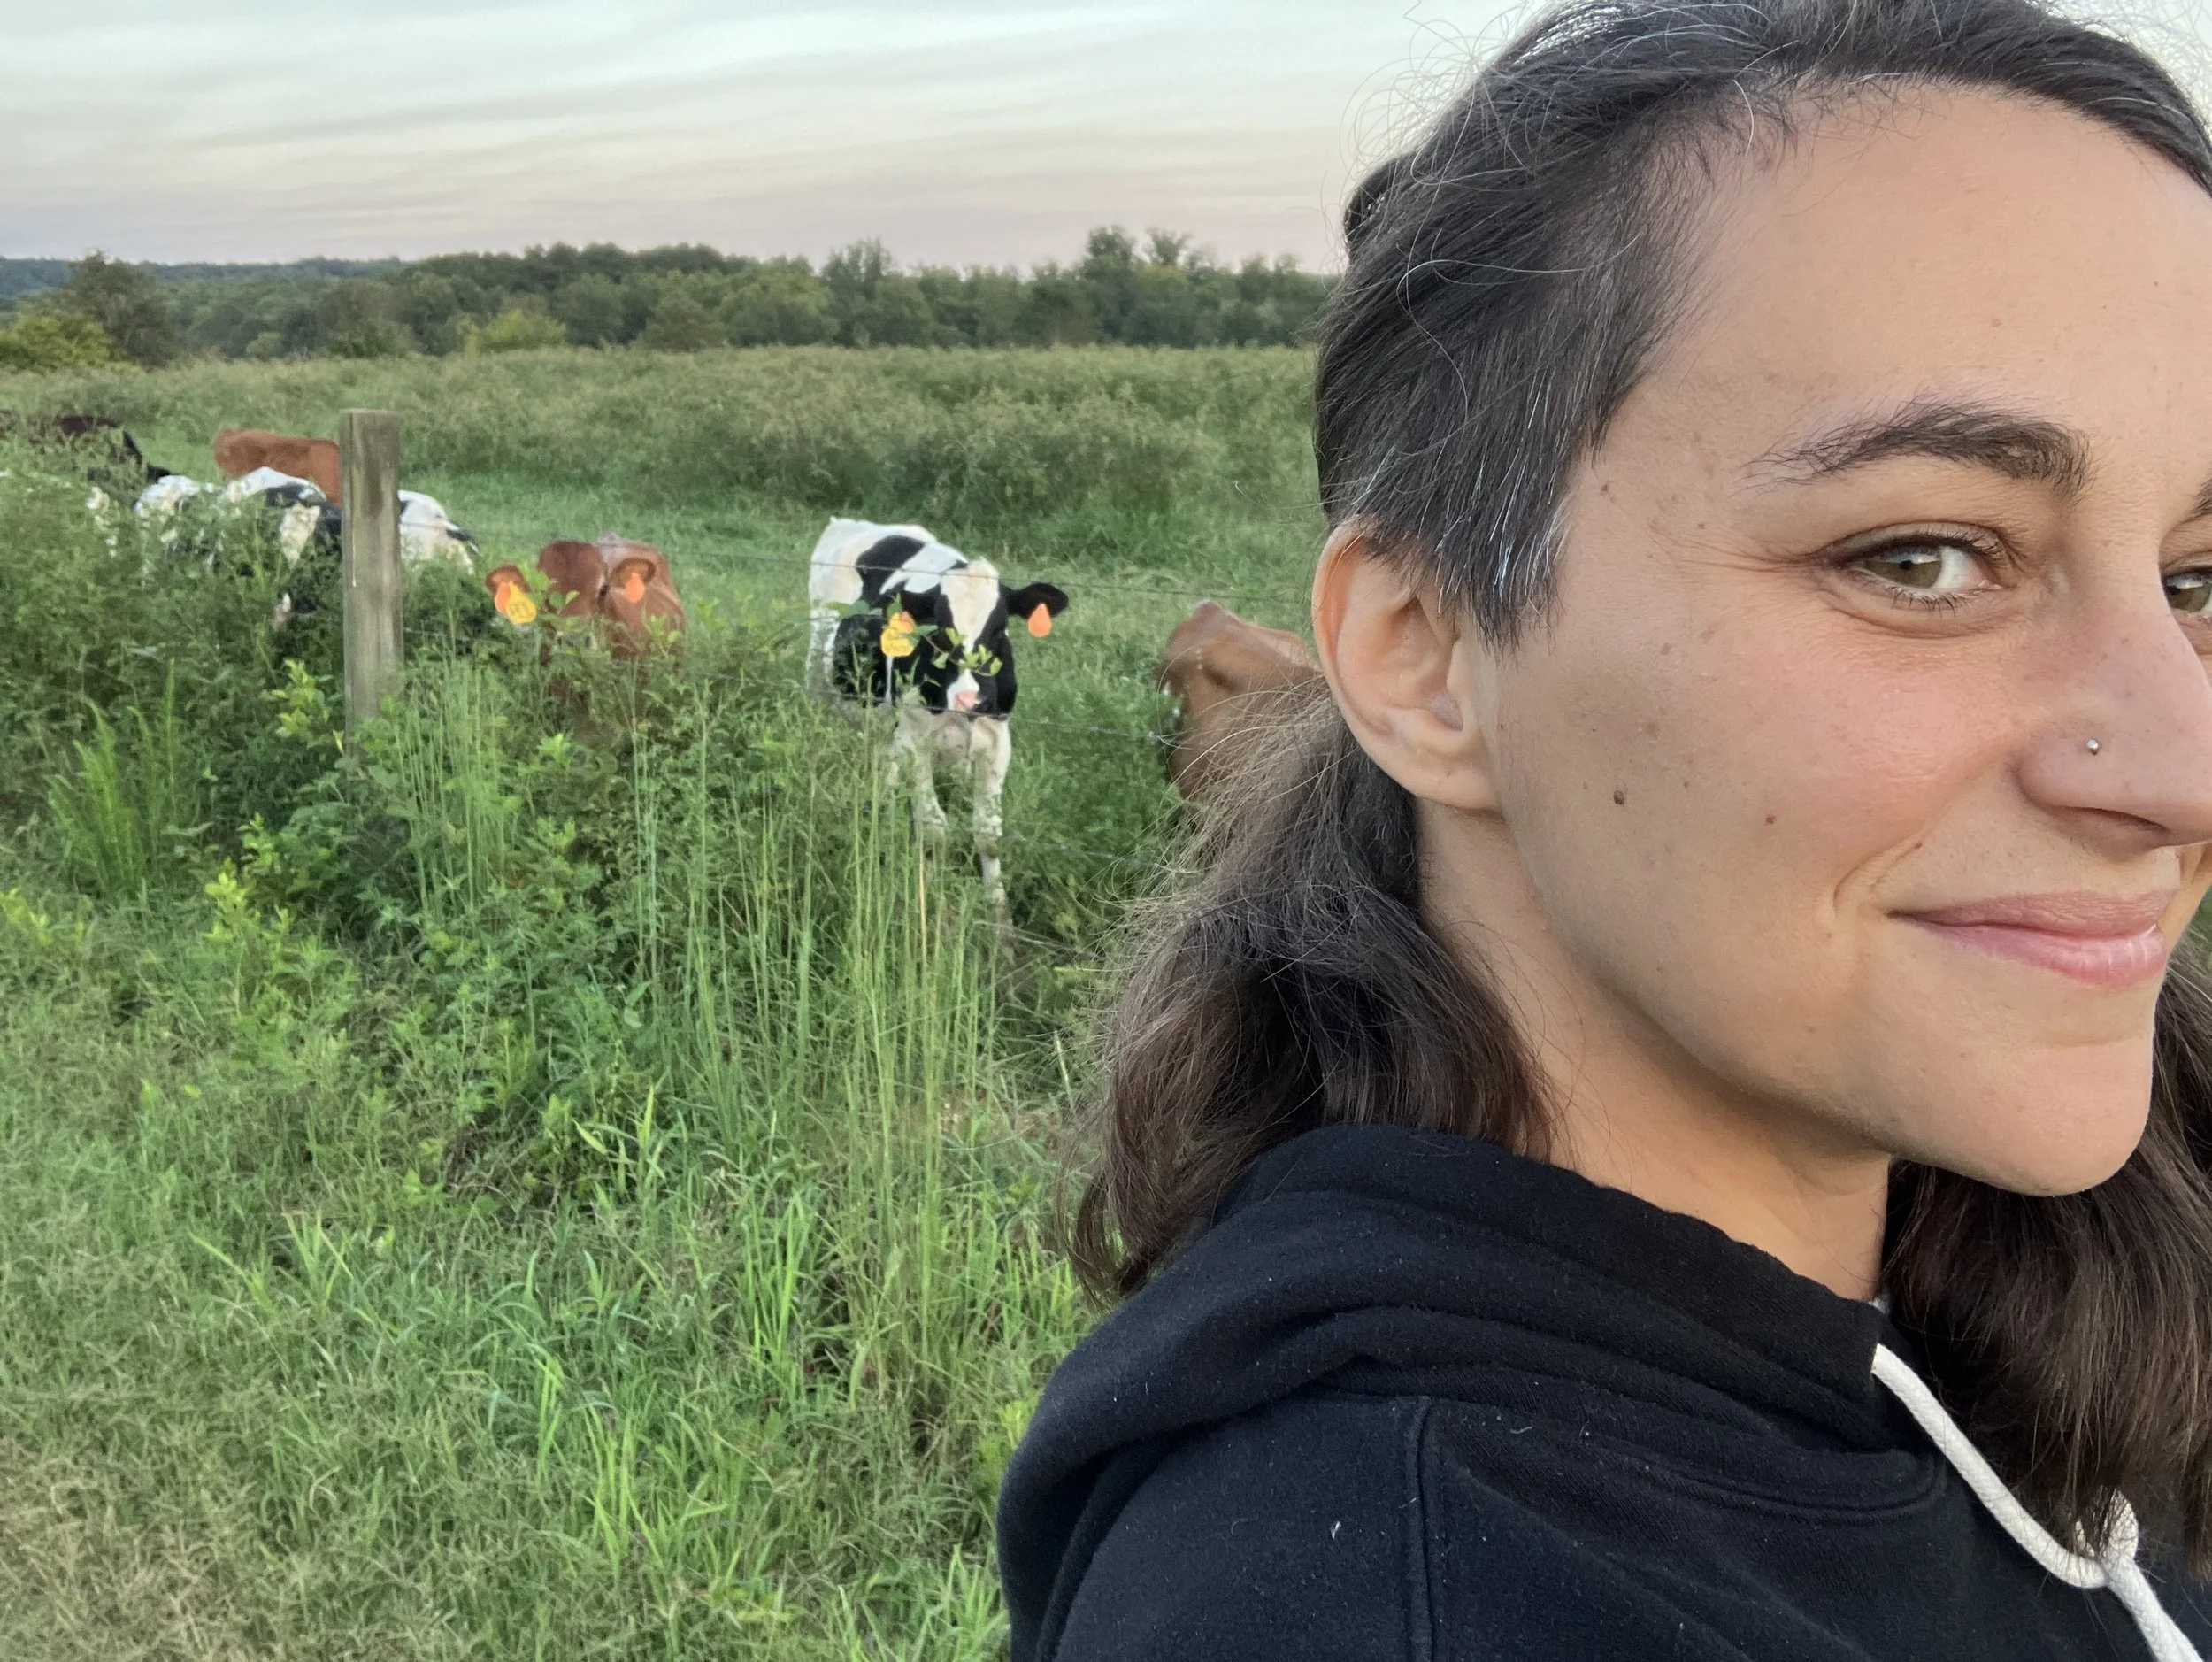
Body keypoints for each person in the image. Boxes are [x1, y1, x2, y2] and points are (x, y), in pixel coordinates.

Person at [995, 0, 2212, 1656]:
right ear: (1423, 655)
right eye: (1924, 556)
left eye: (2201, 580)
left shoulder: (2043, 1281)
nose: (2181, 768)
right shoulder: (1390, 1604)